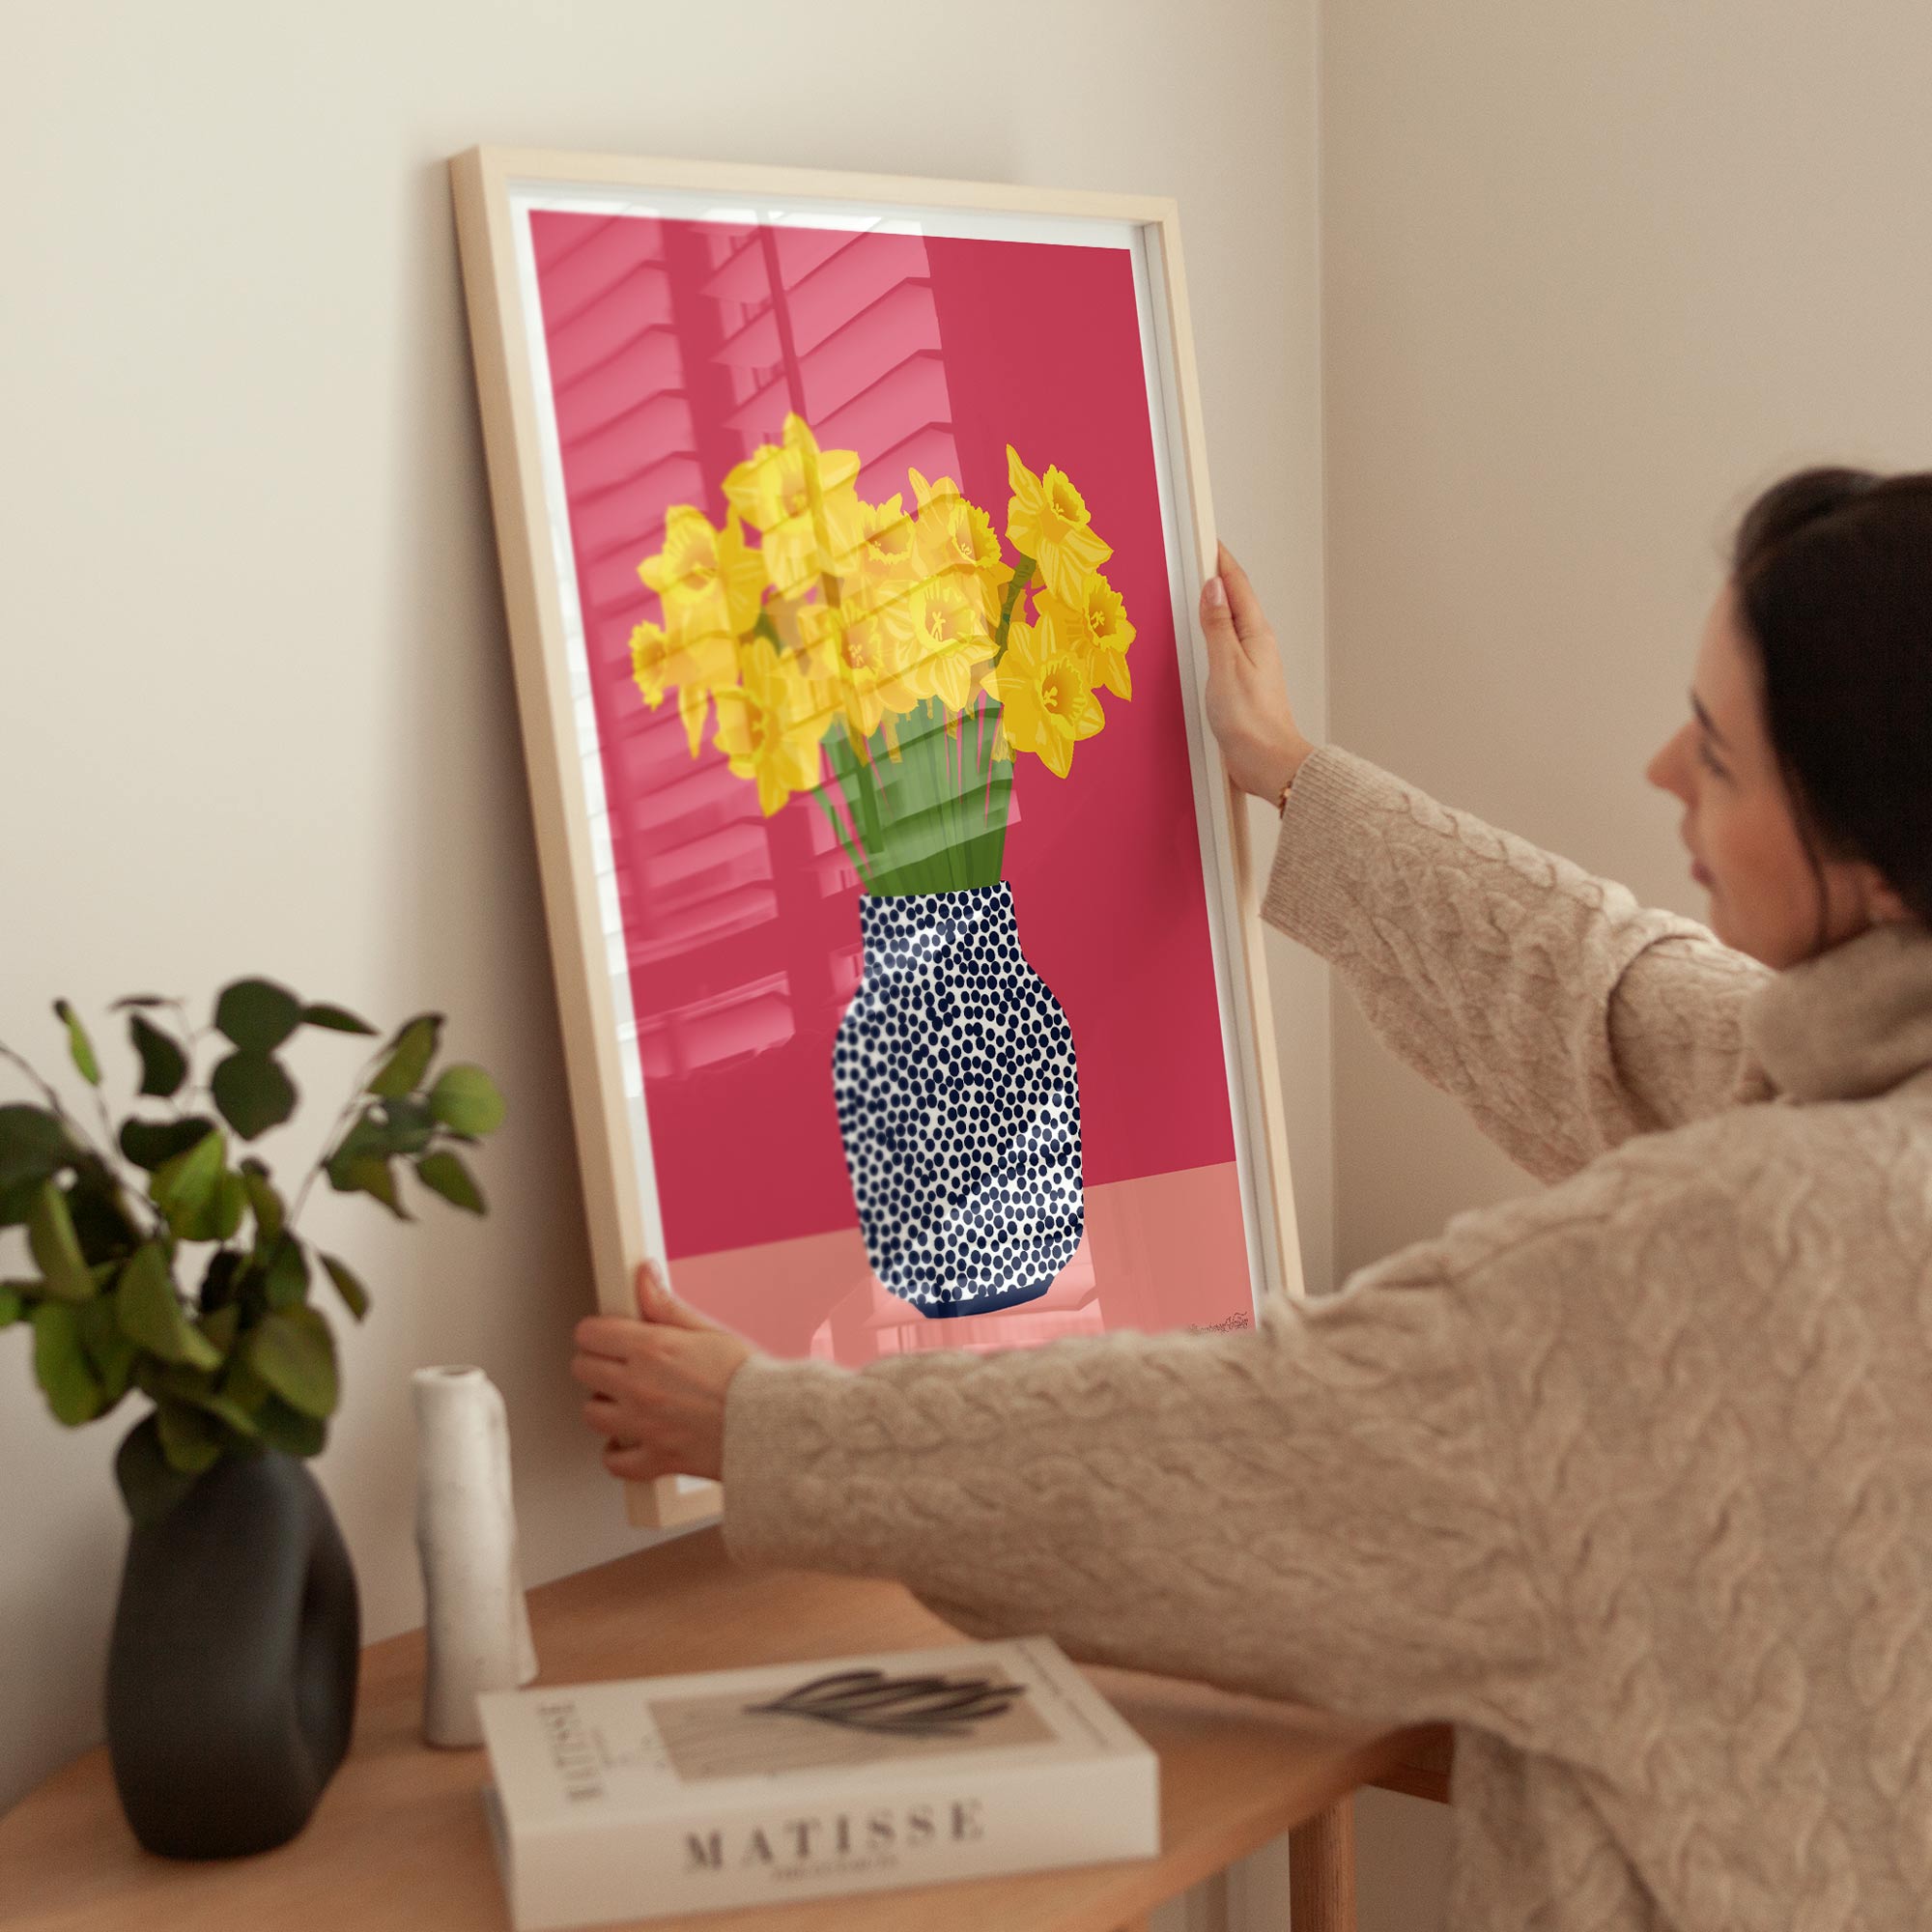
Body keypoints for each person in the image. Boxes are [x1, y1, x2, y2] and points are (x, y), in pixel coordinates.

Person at [569, 466, 1932, 1929]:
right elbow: (1614, 1001)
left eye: (1720, 758)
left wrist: (761, 1427)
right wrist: (1292, 774)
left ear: (1871, 858)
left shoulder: (1716, 1259)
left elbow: (1247, 1448)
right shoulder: (1860, 1097)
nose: (1664, 769)